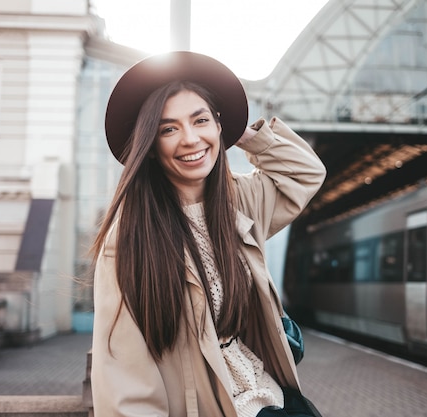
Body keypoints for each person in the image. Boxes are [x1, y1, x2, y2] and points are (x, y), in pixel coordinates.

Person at [90, 51, 326, 417]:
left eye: (200, 120)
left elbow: (305, 174)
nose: (189, 139)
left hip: (274, 400)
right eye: (168, 129)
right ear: (149, 146)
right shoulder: (129, 238)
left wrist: (241, 132)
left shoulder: (240, 203)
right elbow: (124, 377)